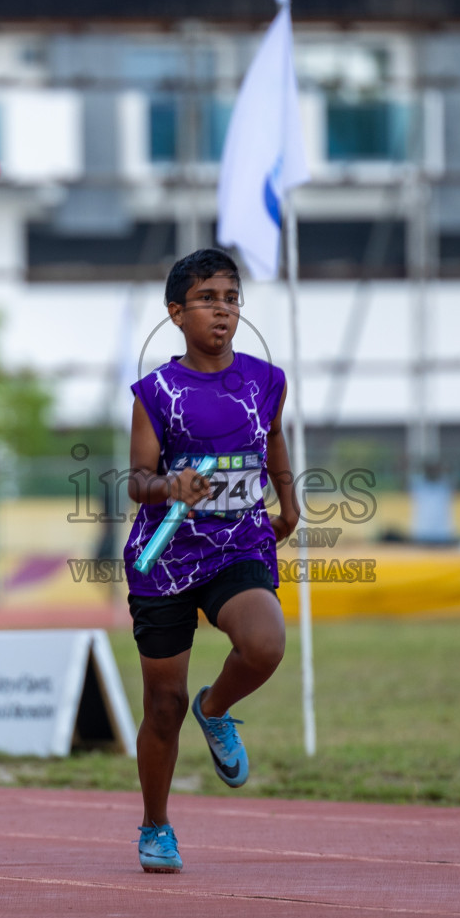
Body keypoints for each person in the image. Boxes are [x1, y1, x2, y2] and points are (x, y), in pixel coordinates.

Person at [124, 248, 298, 874]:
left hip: (239, 544)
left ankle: (217, 708)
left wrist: (289, 502)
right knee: (162, 706)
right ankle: (156, 825)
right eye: (206, 299)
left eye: (230, 298)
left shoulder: (265, 380)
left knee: (266, 643)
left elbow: (273, 436)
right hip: (165, 557)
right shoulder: (156, 392)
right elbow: (138, 480)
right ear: (176, 313)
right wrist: (172, 486)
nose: (221, 310)